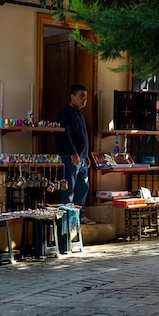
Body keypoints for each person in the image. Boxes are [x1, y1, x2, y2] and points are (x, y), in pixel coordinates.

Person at [56, 84, 96, 225]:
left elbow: (82, 136)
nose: (84, 100)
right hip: (70, 157)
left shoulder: (80, 112)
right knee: (69, 189)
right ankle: (68, 218)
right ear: (72, 96)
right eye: (81, 96)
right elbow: (64, 134)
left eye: (85, 97)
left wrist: (85, 155)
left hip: (82, 159)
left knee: (83, 187)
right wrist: (73, 153)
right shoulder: (66, 113)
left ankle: (80, 216)